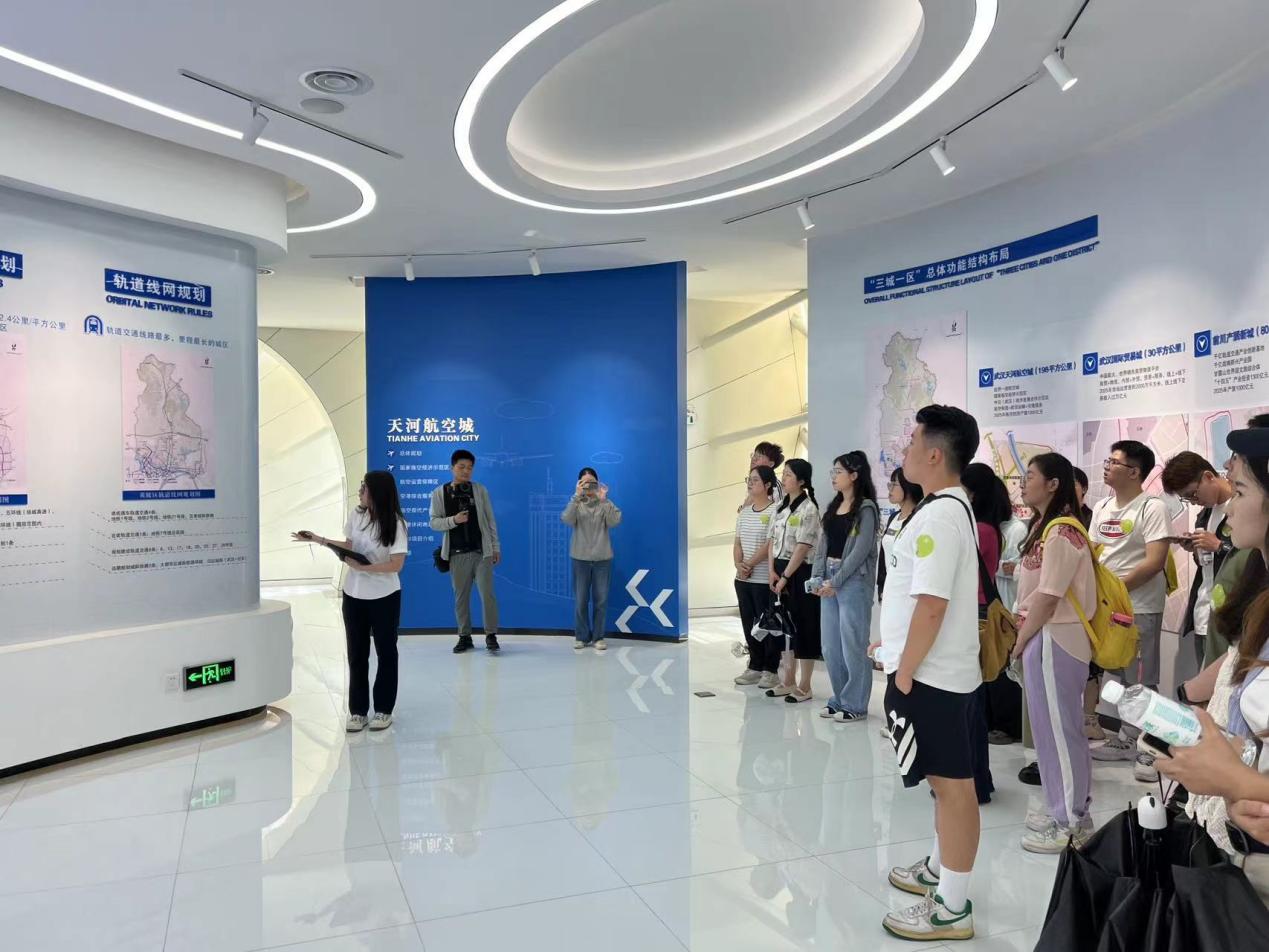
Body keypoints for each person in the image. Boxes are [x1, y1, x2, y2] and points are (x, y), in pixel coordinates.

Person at [880, 405, 983, 942]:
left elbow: (932, 604)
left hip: (931, 678)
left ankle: (952, 908)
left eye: (913, 442)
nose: (906, 450)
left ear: (935, 454)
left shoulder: (940, 516)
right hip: (933, 671)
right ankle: (941, 870)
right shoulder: (942, 508)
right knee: (945, 787)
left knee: (952, 787)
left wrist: (905, 672)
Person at [1157, 424, 1269, 904]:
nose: (1232, 506)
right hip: (1238, 849)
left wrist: (1236, 779)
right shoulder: (1258, 597)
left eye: (1240, 490)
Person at [1009, 453, 1098, 853]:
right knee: (1048, 731)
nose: (1022, 483)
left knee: (1061, 732)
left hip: (1054, 637)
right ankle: (1062, 807)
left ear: (1053, 484)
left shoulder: (1061, 532)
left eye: (1030, 476)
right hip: (1045, 637)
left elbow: (1048, 597)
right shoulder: (1045, 528)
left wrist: (1020, 641)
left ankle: (1072, 824)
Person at [292, 471, 408, 732]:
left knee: (386, 653)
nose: (360, 491)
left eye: (364, 487)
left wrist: (366, 568)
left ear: (377, 492)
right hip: (354, 594)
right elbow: (349, 545)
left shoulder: (396, 524)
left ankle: (383, 710)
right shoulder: (357, 515)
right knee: (356, 654)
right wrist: (318, 539)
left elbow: (396, 564)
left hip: (385, 596)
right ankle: (358, 711)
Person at [1088, 439, 1171, 782]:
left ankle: (1151, 750)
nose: (1107, 466)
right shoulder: (1102, 506)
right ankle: (1126, 739)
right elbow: (1094, 554)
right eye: (1106, 461)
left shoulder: (1152, 507)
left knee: (1143, 680)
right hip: (1108, 610)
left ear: (1134, 472)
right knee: (1118, 676)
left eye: (1114, 462)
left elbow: (1154, 562)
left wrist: (1117, 591)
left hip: (1140, 607)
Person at [811, 451, 879, 723]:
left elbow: (860, 552)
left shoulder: (866, 509)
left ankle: (855, 704)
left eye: (838, 471)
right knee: (830, 646)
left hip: (853, 581)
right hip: (829, 578)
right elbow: (822, 546)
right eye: (833, 471)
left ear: (854, 475)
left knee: (853, 644)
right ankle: (839, 698)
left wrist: (835, 582)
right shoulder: (834, 507)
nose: (834, 476)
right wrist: (818, 577)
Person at [962, 463, 1013, 791]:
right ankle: (977, 777)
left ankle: (976, 778)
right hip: (976, 609)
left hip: (974, 612)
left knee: (970, 698)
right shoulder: (988, 527)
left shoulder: (980, 529)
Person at [1162, 451, 1237, 670]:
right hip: (1203, 614)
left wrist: (1219, 546)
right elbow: (1208, 566)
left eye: (1193, 494)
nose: (1194, 502)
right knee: (1204, 683)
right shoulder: (1204, 515)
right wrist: (1196, 549)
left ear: (1208, 477)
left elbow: (1254, 560)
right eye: (1188, 499)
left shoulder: (1241, 508)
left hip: (1231, 617)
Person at [430, 449, 502, 654]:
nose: (466, 471)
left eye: (470, 468)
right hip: (457, 554)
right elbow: (434, 522)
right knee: (461, 597)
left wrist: (495, 547)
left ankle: (491, 635)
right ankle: (464, 636)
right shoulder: (439, 493)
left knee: (487, 595)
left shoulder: (480, 490)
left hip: (482, 552)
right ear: (452, 467)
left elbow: (490, 520)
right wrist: (454, 520)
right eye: (461, 467)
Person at [766, 459, 822, 703]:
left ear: (801, 481)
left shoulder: (809, 509)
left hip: (799, 572)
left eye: (789, 475)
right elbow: (771, 541)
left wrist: (786, 576)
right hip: (778, 570)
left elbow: (803, 546)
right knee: (783, 626)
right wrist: (772, 571)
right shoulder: (779, 507)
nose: (784, 478)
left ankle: (805, 685)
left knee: (803, 626)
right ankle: (787, 680)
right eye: (784, 474)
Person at [562, 467, 621, 651]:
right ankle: (581, 636)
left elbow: (614, 521)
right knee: (581, 600)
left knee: (601, 601)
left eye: (592, 482)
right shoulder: (576, 503)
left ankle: (598, 637)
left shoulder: (604, 502)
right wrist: (576, 496)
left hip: (603, 558)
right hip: (580, 558)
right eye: (585, 482)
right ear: (579, 483)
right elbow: (566, 519)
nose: (589, 486)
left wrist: (604, 500)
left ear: (597, 483)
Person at [734, 465, 779, 688]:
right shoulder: (744, 512)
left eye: (755, 480)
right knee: (748, 622)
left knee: (766, 624)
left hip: (762, 579)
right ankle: (754, 665)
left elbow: (770, 544)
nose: (750, 483)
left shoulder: (775, 511)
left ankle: (771, 669)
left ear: (767, 485)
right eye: (749, 479)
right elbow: (737, 542)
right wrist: (738, 565)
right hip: (743, 579)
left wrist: (749, 564)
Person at [878, 467, 924, 600]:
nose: (890, 488)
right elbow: (884, 555)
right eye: (890, 483)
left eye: (894, 484)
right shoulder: (893, 517)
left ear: (908, 487)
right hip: (890, 589)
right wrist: (882, 586)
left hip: (909, 593)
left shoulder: (919, 519)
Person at [738, 441, 785, 511]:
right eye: (754, 455)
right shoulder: (752, 481)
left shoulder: (775, 486)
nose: (754, 459)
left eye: (759, 456)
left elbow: (781, 512)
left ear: (771, 464)